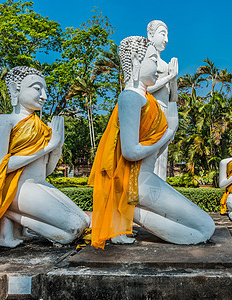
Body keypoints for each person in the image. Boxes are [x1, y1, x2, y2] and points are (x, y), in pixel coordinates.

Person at [89, 36, 214, 248]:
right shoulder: (130, 97)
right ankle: (120, 206)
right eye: (153, 60)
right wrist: (166, 135)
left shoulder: (149, 101)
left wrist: (173, 81)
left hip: (146, 179)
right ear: (137, 61)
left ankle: (122, 209)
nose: (158, 68)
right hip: (134, 181)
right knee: (204, 229)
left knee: (205, 228)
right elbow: (130, 151)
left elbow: (166, 132)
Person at [0, 66, 90, 255]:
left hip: (37, 184)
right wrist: (47, 147)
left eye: (45, 90)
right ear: (15, 89)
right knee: (72, 229)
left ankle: (11, 226)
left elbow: (46, 171)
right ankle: (5, 212)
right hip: (14, 190)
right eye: (37, 88)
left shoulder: (42, 127)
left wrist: (57, 146)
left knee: (85, 222)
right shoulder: (3, 121)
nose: (44, 96)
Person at [146, 20, 178, 180]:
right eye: (162, 34)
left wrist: (173, 79)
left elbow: (174, 98)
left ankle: (160, 186)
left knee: (162, 156)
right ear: (150, 35)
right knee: (150, 153)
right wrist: (170, 77)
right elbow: (145, 89)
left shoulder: (165, 64)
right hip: (151, 110)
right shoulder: (148, 62)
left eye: (167, 35)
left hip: (165, 110)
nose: (166, 40)